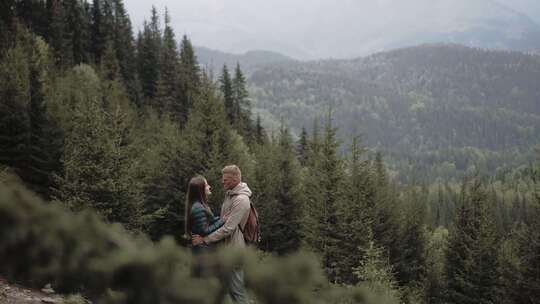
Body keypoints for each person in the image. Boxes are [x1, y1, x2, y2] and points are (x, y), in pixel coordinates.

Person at [192, 165, 252, 304]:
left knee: (237, 290)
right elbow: (223, 219)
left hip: (234, 250)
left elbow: (228, 228)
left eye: (226, 179)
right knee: (225, 290)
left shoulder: (241, 200)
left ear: (236, 179)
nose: (222, 182)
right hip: (225, 249)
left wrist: (204, 240)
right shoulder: (230, 194)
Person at [184, 176, 227, 276]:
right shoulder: (198, 207)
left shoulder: (199, 204)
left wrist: (220, 219)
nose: (209, 186)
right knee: (203, 279)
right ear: (201, 189)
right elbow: (204, 230)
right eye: (207, 185)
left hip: (201, 248)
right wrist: (222, 221)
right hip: (201, 250)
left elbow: (209, 221)